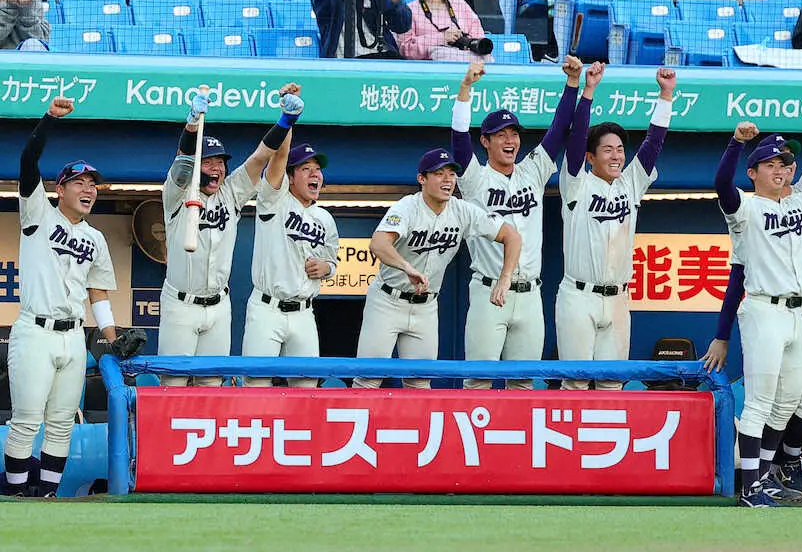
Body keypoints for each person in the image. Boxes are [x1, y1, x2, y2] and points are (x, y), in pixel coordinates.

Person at [700, 77, 802, 502]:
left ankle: (768, 472)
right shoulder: (746, 208)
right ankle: (750, 485)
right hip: (762, 311)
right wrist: (735, 144)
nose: (780, 169)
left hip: (794, 314)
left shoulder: (800, 202)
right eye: (770, 164)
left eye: (785, 164)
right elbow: (721, 184)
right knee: (760, 401)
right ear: (753, 172)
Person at [4, 97, 118, 498]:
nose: (89, 189)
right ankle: (18, 494)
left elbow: (98, 291)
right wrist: (49, 120)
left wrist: (111, 334)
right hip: (35, 329)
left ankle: (49, 494)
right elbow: (27, 160)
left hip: (74, 335)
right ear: (60, 189)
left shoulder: (96, 238)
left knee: (60, 423)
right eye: (80, 182)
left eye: (93, 185)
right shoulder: (39, 214)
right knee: (27, 420)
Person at [450, 58, 585, 388]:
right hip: (488, 290)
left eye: (514, 134)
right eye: (500, 135)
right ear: (485, 141)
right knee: (477, 383)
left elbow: (558, 129)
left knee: (523, 384)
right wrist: (465, 90)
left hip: (530, 295)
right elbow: (457, 139)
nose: (510, 140)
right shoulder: (475, 179)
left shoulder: (532, 170)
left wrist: (572, 84)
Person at [157, 86, 301, 385]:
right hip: (181, 304)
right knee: (173, 387)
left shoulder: (231, 192)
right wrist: (193, 123)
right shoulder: (177, 192)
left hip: (219, 305)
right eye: (208, 162)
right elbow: (184, 158)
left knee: (211, 385)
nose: (216, 168)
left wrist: (286, 120)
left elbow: (261, 157)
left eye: (220, 163)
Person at [352, 149, 521, 390]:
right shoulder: (407, 207)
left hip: (426, 305)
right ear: (422, 179)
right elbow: (378, 243)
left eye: (451, 174)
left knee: (420, 382)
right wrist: (406, 266)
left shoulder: (463, 210)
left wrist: (505, 279)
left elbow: (512, 236)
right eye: (439, 174)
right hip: (388, 300)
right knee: (368, 379)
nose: (448, 180)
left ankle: (413, 429)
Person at [555, 67, 674, 390]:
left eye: (620, 149)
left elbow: (653, 143)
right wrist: (588, 91)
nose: (616, 155)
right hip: (579, 296)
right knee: (576, 384)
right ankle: (571, 442)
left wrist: (666, 95)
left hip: (619, 297)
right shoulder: (577, 183)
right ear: (591, 157)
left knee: (613, 384)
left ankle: (603, 442)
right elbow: (577, 139)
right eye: (608, 149)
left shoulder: (631, 183)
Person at [241, 132, 340, 381]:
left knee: (306, 386)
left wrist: (326, 268)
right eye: (306, 169)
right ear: (290, 178)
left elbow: (332, 261)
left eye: (318, 170)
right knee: (256, 384)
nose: (315, 174)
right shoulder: (274, 200)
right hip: (267, 309)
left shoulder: (325, 219)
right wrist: (289, 119)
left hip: (304, 312)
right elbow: (279, 158)